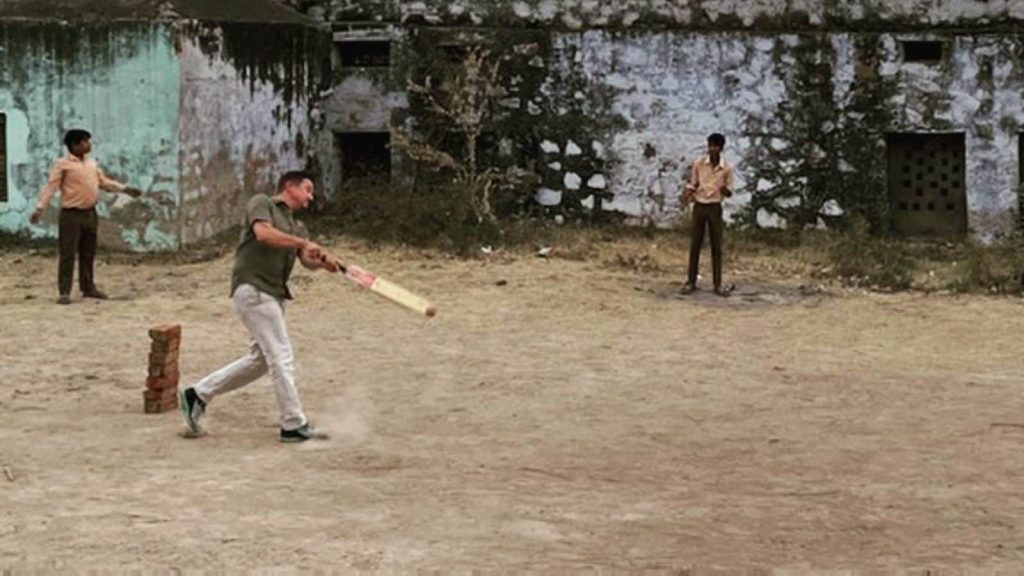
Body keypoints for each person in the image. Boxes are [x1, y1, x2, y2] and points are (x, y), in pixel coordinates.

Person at [179, 170, 342, 443]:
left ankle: (198, 394)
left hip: (273, 294)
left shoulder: (297, 226)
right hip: (253, 288)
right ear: (289, 187)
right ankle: (293, 424)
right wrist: (303, 243)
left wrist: (324, 263)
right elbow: (264, 234)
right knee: (281, 356)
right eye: (307, 189)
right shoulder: (262, 203)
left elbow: (306, 259)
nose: (310, 197)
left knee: (260, 361)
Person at [30, 129, 142, 304]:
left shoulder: (91, 164)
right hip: (71, 214)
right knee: (68, 253)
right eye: (85, 142)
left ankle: (88, 287)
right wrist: (39, 208)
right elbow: (51, 187)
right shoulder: (62, 164)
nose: (88, 145)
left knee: (88, 252)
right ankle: (64, 291)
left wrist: (124, 189)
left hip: (90, 213)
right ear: (75, 145)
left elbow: (103, 182)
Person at [679, 133, 735, 297]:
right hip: (699, 205)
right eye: (709, 146)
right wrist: (688, 193)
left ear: (721, 148)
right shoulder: (699, 164)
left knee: (716, 246)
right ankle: (691, 281)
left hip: (715, 207)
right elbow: (694, 183)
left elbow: (730, 191)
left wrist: (724, 189)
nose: (711, 149)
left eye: (715, 146)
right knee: (695, 244)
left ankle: (717, 284)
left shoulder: (727, 168)